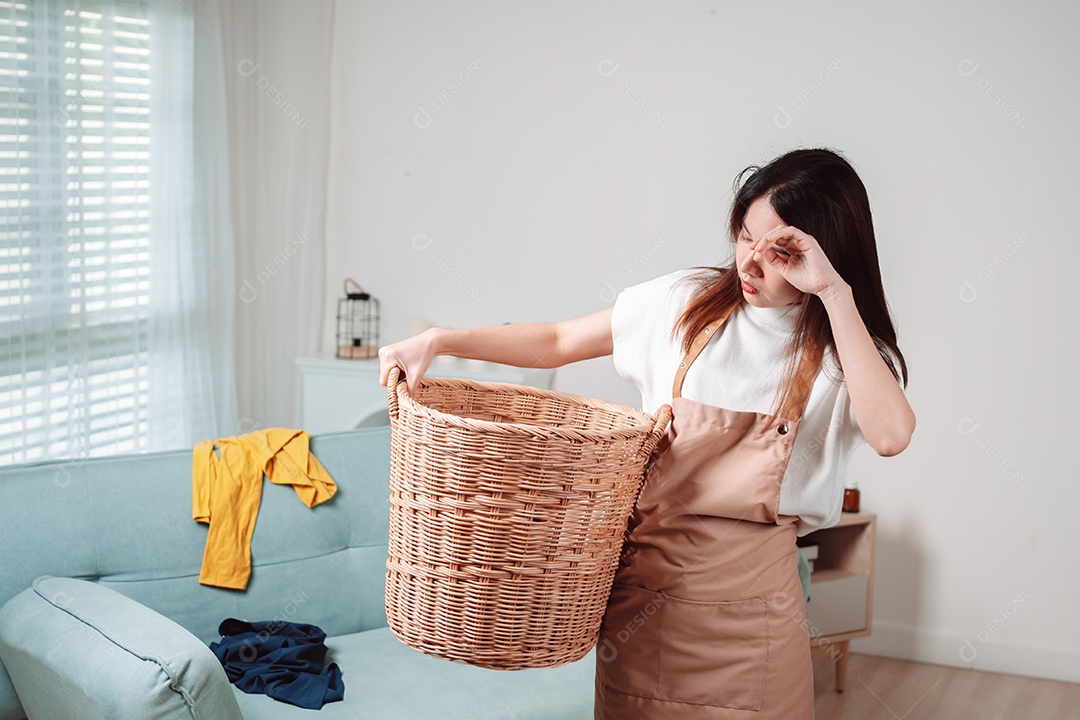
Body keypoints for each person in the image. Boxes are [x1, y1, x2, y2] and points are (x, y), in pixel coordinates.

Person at [378, 147, 915, 719]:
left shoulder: (846, 352)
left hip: (755, 626)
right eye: (743, 237)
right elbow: (559, 340)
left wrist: (835, 295)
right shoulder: (685, 303)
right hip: (645, 607)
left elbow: (891, 435)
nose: (750, 265)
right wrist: (439, 340)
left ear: (824, 254)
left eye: (780, 251)